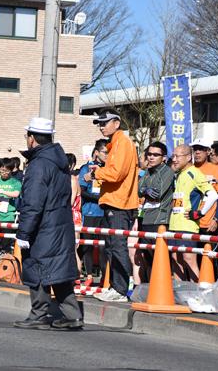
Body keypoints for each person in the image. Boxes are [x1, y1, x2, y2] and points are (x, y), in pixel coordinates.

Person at [14, 117, 83, 330]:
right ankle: (72, 315)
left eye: (27, 136)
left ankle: (39, 314)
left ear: (32, 139)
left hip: (43, 227)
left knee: (36, 269)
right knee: (59, 270)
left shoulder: (39, 165)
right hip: (60, 224)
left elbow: (33, 202)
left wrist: (24, 233)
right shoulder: (58, 161)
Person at [83, 112, 139, 302]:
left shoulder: (123, 143)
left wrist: (97, 172)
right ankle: (116, 286)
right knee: (111, 247)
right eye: (99, 123)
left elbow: (116, 173)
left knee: (117, 246)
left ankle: (121, 289)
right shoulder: (115, 143)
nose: (101, 126)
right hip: (113, 200)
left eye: (105, 123)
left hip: (119, 202)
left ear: (116, 123)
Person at [168, 144, 217, 282]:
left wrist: (199, 213)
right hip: (175, 224)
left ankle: (200, 294)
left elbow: (213, 195)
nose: (174, 159)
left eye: (178, 156)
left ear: (189, 157)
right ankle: (181, 295)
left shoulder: (194, 173)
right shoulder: (180, 174)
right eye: (173, 156)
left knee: (189, 259)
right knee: (176, 259)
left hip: (188, 225)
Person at [190, 138, 218, 277]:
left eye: (201, 149)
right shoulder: (189, 170)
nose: (197, 152)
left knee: (212, 259)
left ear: (208, 151)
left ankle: (217, 293)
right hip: (190, 223)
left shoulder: (217, 170)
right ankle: (196, 292)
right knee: (193, 258)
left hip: (209, 223)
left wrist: (217, 219)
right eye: (195, 149)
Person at [137, 141, 174, 281]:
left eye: (155, 155)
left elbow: (158, 193)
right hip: (146, 217)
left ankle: (161, 286)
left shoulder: (167, 171)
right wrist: (146, 190)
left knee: (159, 257)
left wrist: (145, 189)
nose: (151, 157)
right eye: (149, 154)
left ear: (164, 157)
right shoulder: (147, 171)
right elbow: (138, 190)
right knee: (146, 256)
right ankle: (151, 288)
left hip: (160, 219)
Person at [78, 139, 108, 282]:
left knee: (104, 247)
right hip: (90, 211)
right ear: (96, 153)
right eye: (105, 152)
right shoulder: (87, 168)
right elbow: (82, 191)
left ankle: (104, 277)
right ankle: (89, 275)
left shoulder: (109, 169)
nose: (108, 155)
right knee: (88, 245)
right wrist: (100, 198)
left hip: (105, 212)